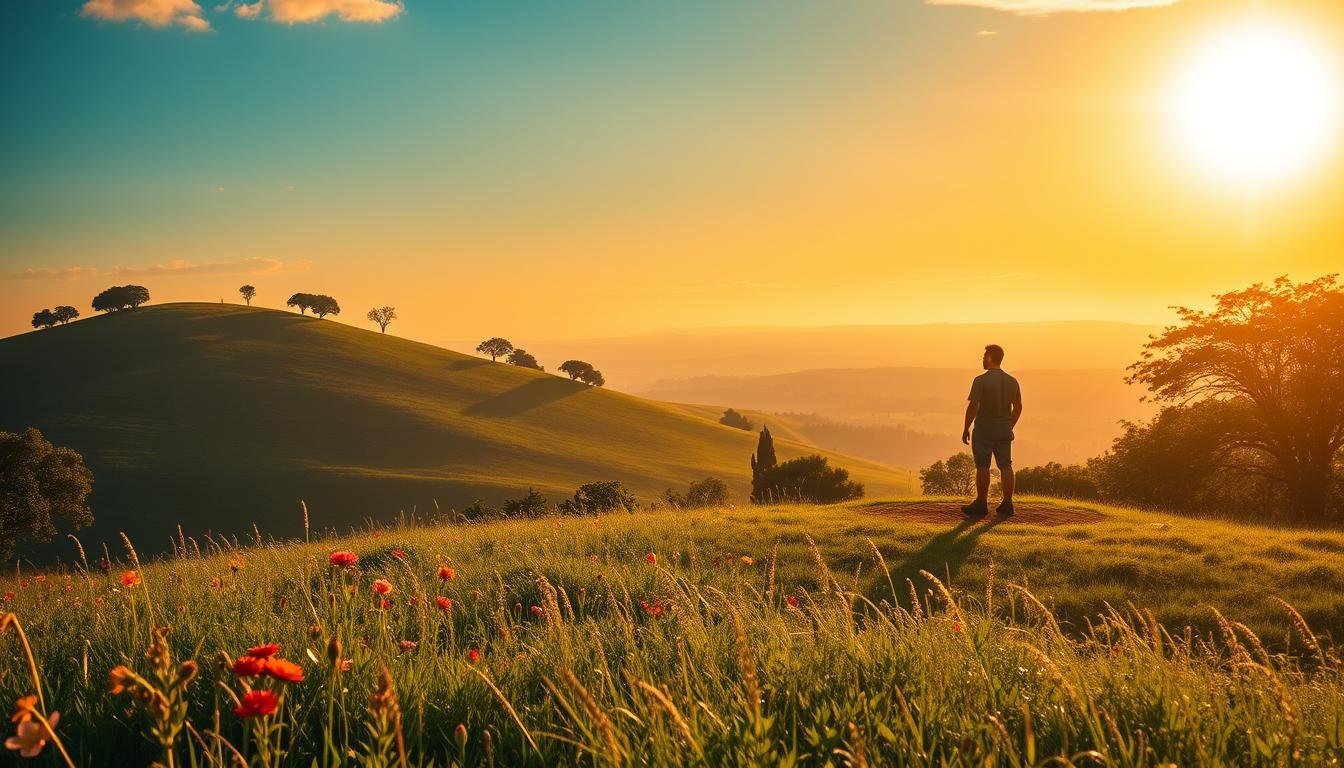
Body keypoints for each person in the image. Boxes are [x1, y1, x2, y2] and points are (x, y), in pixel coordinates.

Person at [961, 344, 1022, 517]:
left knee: (982, 466)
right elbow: (1018, 407)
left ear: (989, 358)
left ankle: (981, 503)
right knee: (1006, 465)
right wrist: (1009, 425)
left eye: (984, 356)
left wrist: (966, 428)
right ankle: (1008, 503)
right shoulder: (1012, 381)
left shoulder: (980, 381)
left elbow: (973, 406)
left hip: (984, 430)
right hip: (1004, 429)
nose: (982, 359)